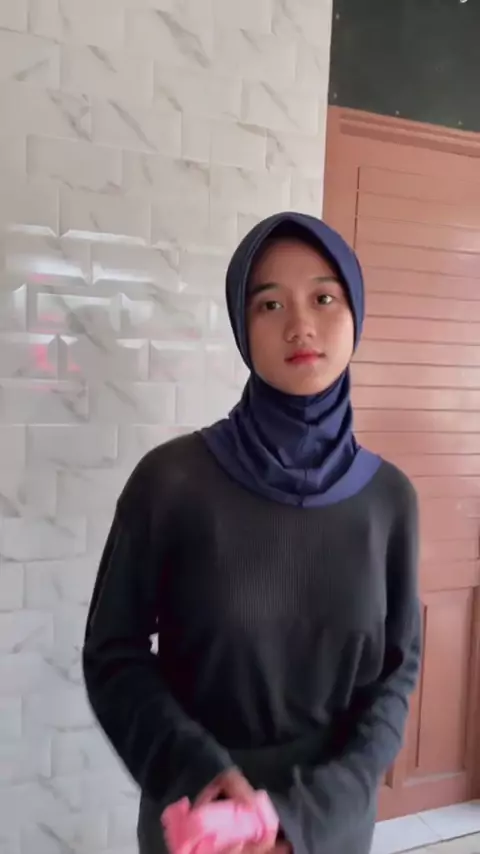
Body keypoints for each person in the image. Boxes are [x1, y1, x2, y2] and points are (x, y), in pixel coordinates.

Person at [83, 212, 421, 854]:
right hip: (201, 820)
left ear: (355, 311)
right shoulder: (172, 483)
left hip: (329, 824)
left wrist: (306, 819)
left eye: (324, 298)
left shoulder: (390, 499)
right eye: (270, 304)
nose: (301, 326)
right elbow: (112, 651)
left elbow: (396, 677)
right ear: (243, 327)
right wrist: (199, 776)